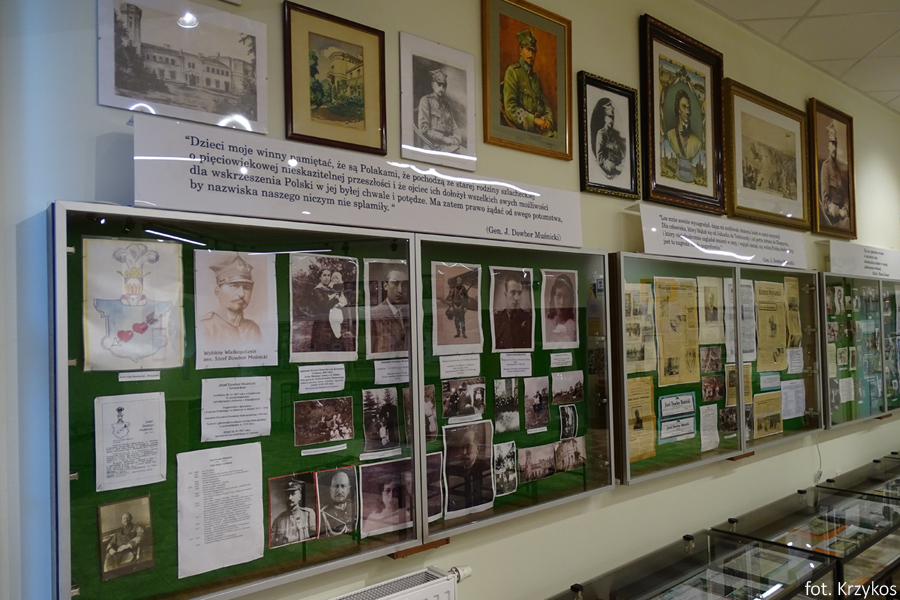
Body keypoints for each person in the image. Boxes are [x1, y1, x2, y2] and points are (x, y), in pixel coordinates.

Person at [197, 253, 262, 344]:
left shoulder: (252, 328)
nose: (241, 294)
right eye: (233, 286)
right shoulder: (204, 327)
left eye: (246, 287)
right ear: (217, 292)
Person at [503, 29, 555, 136]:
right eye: (528, 49)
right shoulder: (513, 72)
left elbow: (546, 107)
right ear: (520, 51)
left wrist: (546, 120)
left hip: (541, 132)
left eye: (534, 51)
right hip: (522, 133)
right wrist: (534, 120)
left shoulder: (536, 79)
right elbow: (510, 108)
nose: (531, 55)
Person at [662, 88, 704, 182]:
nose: (687, 112)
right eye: (684, 107)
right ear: (678, 109)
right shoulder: (670, 135)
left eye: (688, 108)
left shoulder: (696, 141)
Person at [446, 427, 493, 511]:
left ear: (477, 448)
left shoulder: (486, 470)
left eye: (468, 447)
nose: (464, 452)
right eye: (462, 447)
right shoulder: (456, 469)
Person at [416, 68, 462, 152]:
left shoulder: (446, 105)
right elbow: (424, 128)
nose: (442, 88)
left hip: (449, 145)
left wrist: (457, 139)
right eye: (439, 84)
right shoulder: (426, 100)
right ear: (432, 84)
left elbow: (455, 127)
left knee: (465, 152)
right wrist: (444, 138)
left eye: (444, 86)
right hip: (433, 146)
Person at [369, 267, 410, 354]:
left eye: (404, 284)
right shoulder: (374, 315)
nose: (400, 290)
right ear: (385, 285)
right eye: (395, 283)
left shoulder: (410, 313)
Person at [819, 121, 850, 228]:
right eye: (832, 144)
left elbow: (845, 196)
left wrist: (845, 209)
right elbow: (824, 199)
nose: (834, 148)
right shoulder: (825, 166)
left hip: (842, 215)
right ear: (828, 146)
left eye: (835, 145)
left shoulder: (837, 169)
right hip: (832, 217)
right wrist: (836, 211)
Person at [270, 478, 316, 547]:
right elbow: (272, 543)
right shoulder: (278, 520)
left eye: (293, 494)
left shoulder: (308, 514)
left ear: (299, 497)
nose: (290, 498)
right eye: (287, 495)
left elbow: (314, 539)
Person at [494, 273, 533, 350]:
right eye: (513, 293)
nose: (517, 298)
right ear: (506, 294)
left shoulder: (529, 319)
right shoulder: (496, 320)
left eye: (519, 293)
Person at [593, 98, 627, 179]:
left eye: (613, 117)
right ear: (605, 118)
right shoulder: (601, 134)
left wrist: (622, 165)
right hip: (607, 173)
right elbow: (600, 159)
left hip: (617, 173)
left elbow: (621, 156)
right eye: (609, 117)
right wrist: (615, 168)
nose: (611, 120)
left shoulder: (614, 135)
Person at [318, 470, 357, 537]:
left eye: (343, 486)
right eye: (336, 486)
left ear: (348, 489)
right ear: (330, 489)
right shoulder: (323, 514)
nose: (339, 491)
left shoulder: (355, 507)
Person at [545, 274, 576, 343]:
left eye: (566, 296)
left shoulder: (574, 328)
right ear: (553, 297)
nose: (562, 302)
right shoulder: (545, 323)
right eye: (558, 295)